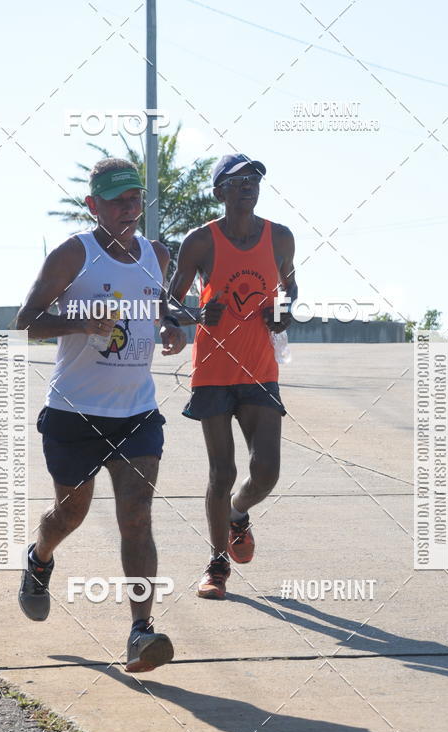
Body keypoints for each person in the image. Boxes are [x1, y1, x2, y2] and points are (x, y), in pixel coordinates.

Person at [16, 158, 186, 672]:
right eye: (116, 201)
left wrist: (174, 323)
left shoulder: (157, 254)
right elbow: (26, 323)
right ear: (93, 206)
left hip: (137, 412)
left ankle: (141, 632)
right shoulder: (74, 254)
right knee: (70, 514)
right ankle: (39, 558)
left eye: (135, 198)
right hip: (74, 412)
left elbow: (160, 305)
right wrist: (79, 320)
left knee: (136, 518)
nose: (129, 209)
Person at [166, 153, 296, 599]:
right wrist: (198, 313)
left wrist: (283, 312)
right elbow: (169, 303)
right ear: (219, 191)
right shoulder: (200, 241)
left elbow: (290, 289)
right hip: (213, 371)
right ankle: (217, 565)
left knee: (266, 471)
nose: (249, 185)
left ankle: (238, 514)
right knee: (221, 472)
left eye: (255, 178)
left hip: (260, 368)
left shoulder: (280, 237)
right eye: (238, 180)